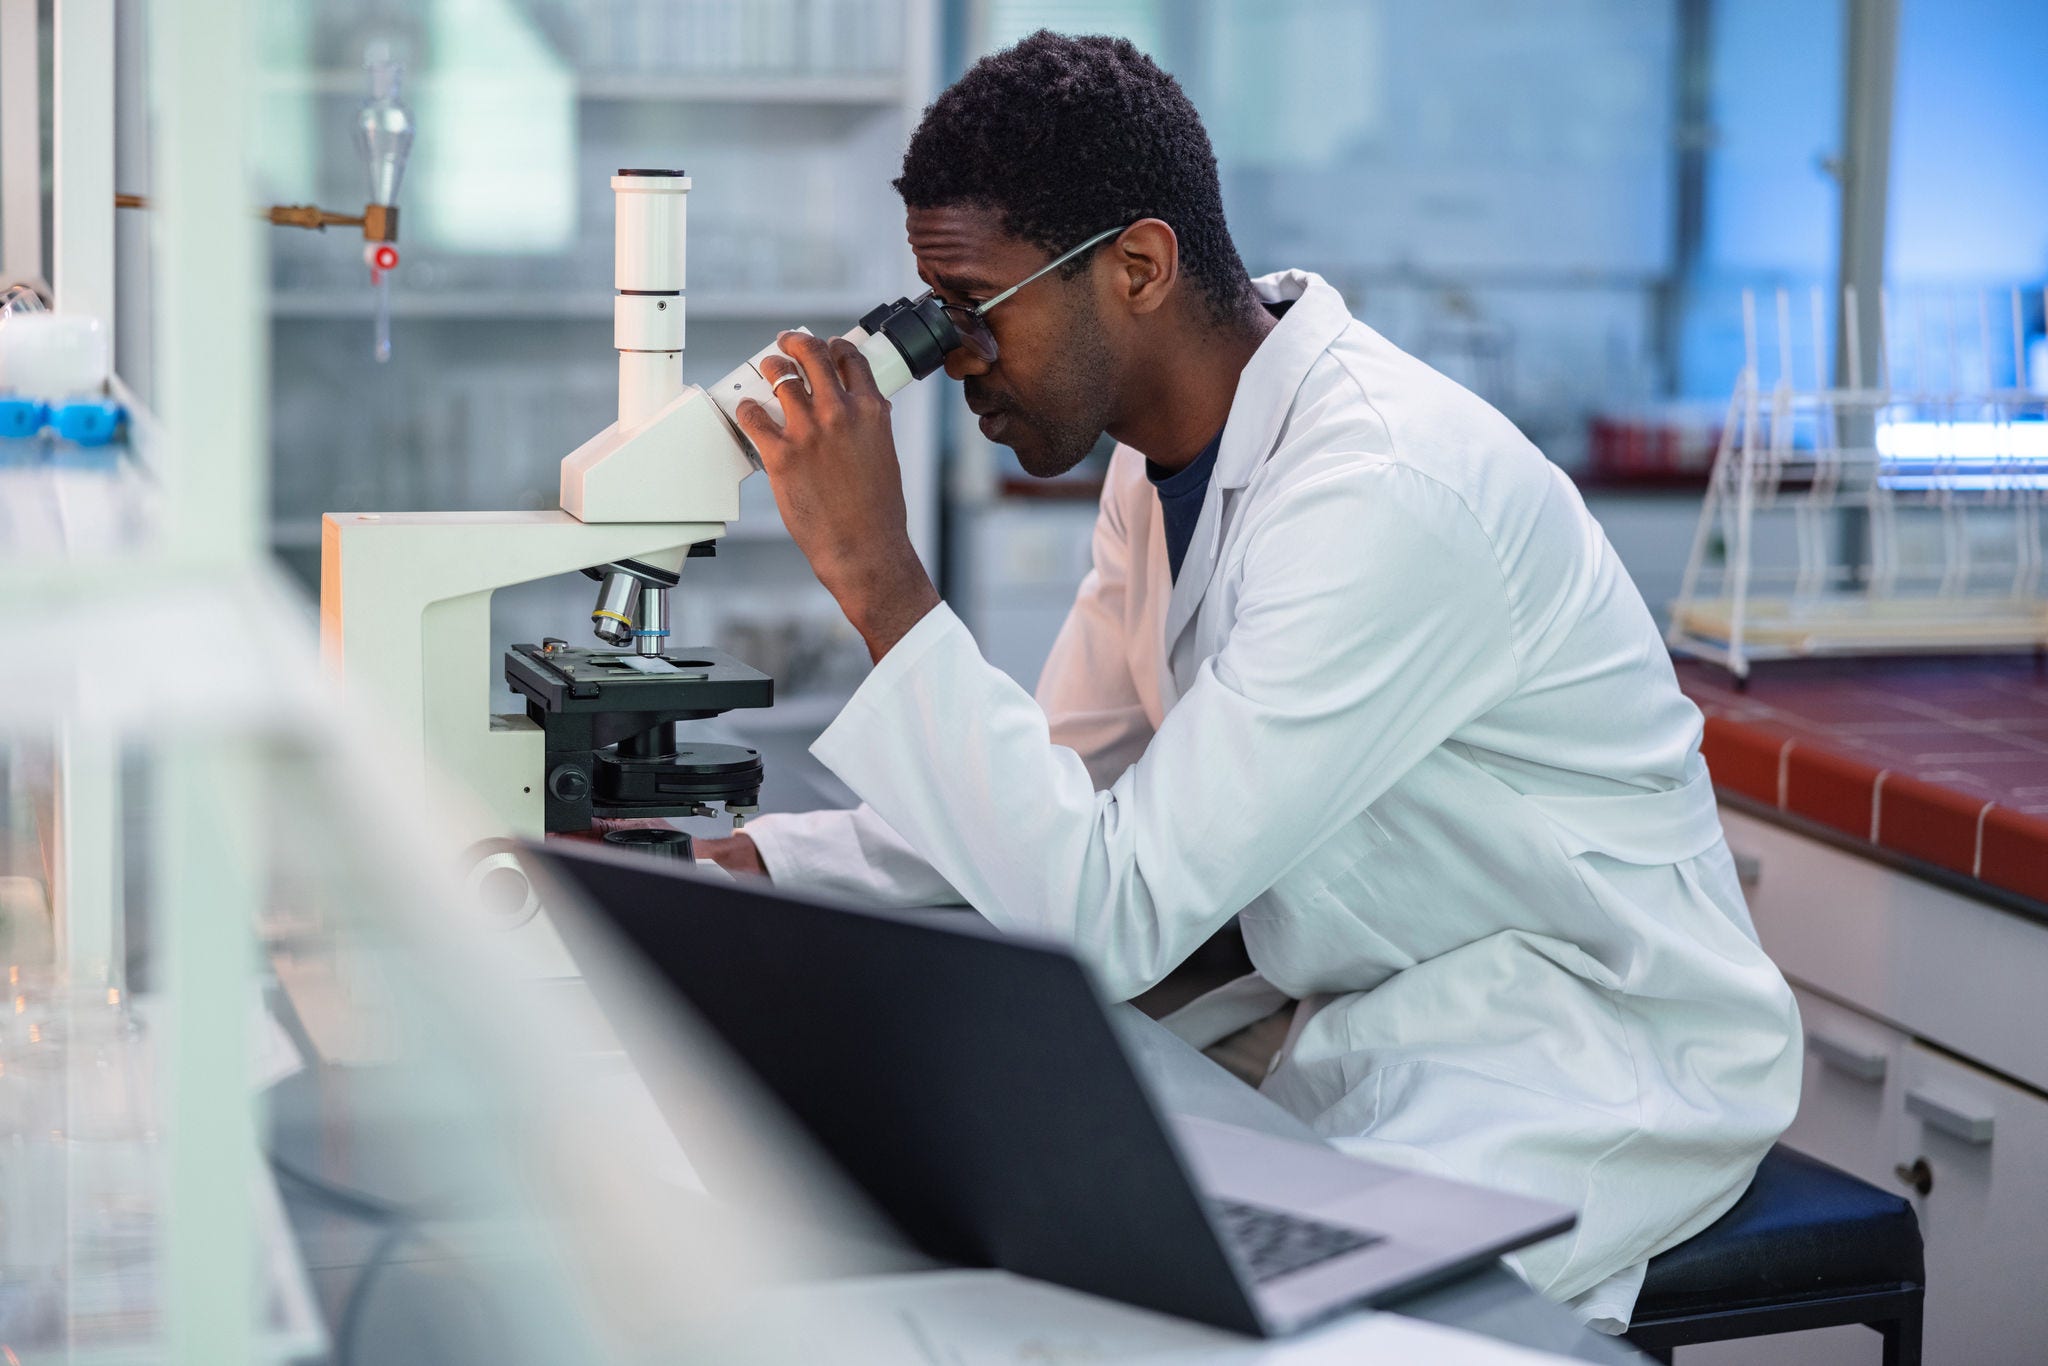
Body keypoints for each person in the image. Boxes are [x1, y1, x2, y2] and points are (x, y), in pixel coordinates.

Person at [699, 31, 1799, 1331]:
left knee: (1243, 1324)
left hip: (1575, 1050)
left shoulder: (1383, 489)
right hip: (1375, 1004)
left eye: (975, 313)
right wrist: (760, 867)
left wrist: (880, 579)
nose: (957, 365)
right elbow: (1063, 791)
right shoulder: (1160, 460)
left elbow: (1105, 910)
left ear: (1139, 268)